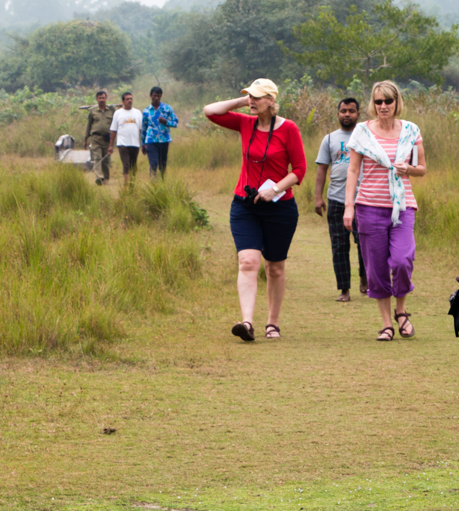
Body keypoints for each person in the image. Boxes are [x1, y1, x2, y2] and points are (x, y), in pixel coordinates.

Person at [203, 78, 307, 341]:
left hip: (279, 207)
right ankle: (247, 322)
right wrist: (243, 101)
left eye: (258, 97)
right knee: (248, 262)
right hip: (245, 205)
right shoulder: (244, 122)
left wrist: (276, 189)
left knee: (275, 267)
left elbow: (299, 169)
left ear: (271, 100)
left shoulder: (288, 129)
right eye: (250, 96)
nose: (252, 100)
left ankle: (272, 323)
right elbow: (210, 111)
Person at [343, 81, 426, 341]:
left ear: (396, 102)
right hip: (369, 206)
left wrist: (407, 169)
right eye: (378, 102)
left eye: (388, 101)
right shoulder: (362, 132)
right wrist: (349, 206)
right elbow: (353, 170)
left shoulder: (411, 130)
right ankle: (387, 323)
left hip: (402, 206)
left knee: (402, 260)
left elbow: (421, 168)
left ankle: (402, 312)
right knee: (376, 267)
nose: (383, 106)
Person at [314, 98, 368, 302]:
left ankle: (365, 279)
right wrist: (318, 198)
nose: (347, 114)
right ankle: (344, 290)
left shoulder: (366, 137)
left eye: (351, 111)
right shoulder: (329, 139)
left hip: (363, 199)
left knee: (364, 242)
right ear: (338, 114)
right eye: (343, 111)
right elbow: (321, 171)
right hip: (336, 199)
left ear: (358, 114)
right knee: (339, 245)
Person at [141, 86, 179, 179]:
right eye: (154, 96)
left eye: (158, 96)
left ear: (161, 96)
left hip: (164, 140)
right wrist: (143, 143)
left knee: (163, 164)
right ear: (150, 96)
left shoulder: (167, 108)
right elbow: (144, 128)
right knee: (153, 164)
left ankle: (162, 183)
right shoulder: (146, 111)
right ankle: (153, 183)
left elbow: (175, 123)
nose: (156, 98)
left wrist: (166, 122)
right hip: (151, 141)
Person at [108, 92, 143, 189]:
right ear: (123, 101)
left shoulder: (138, 113)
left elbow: (141, 130)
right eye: (127, 99)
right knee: (126, 164)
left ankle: (132, 183)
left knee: (133, 164)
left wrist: (144, 143)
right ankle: (126, 183)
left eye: (131, 99)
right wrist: (111, 145)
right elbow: (113, 130)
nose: (129, 100)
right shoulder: (118, 113)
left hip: (135, 144)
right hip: (122, 143)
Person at [84, 90, 114, 186]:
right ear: (97, 99)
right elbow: (88, 126)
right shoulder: (93, 111)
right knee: (97, 158)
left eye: (103, 98)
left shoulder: (112, 110)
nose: (102, 100)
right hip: (96, 138)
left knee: (105, 160)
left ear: (106, 99)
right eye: (100, 98)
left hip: (107, 139)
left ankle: (105, 178)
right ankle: (99, 177)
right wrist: (85, 139)